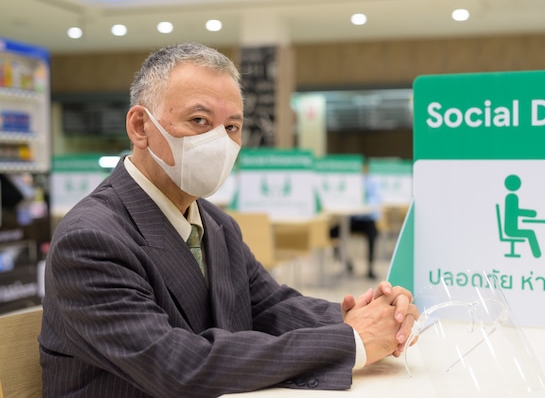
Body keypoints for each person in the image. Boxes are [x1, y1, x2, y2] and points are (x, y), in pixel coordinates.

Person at [39, 42, 419, 398]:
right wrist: (350, 341)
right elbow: (179, 366)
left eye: (232, 127)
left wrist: (361, 317)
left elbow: (268, 306)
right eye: (200, 120)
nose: (219, 142)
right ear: (140, 127)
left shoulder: (216, 224)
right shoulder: (90, 239)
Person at [330, 163, 381, 279]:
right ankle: (345, 262)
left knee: (372, 232)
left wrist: (362, 204)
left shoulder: (372, 182)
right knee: (332, 232)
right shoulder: (349, 181)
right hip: (349, 219)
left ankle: (370, 267)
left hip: (365, 219)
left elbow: (376, 202)